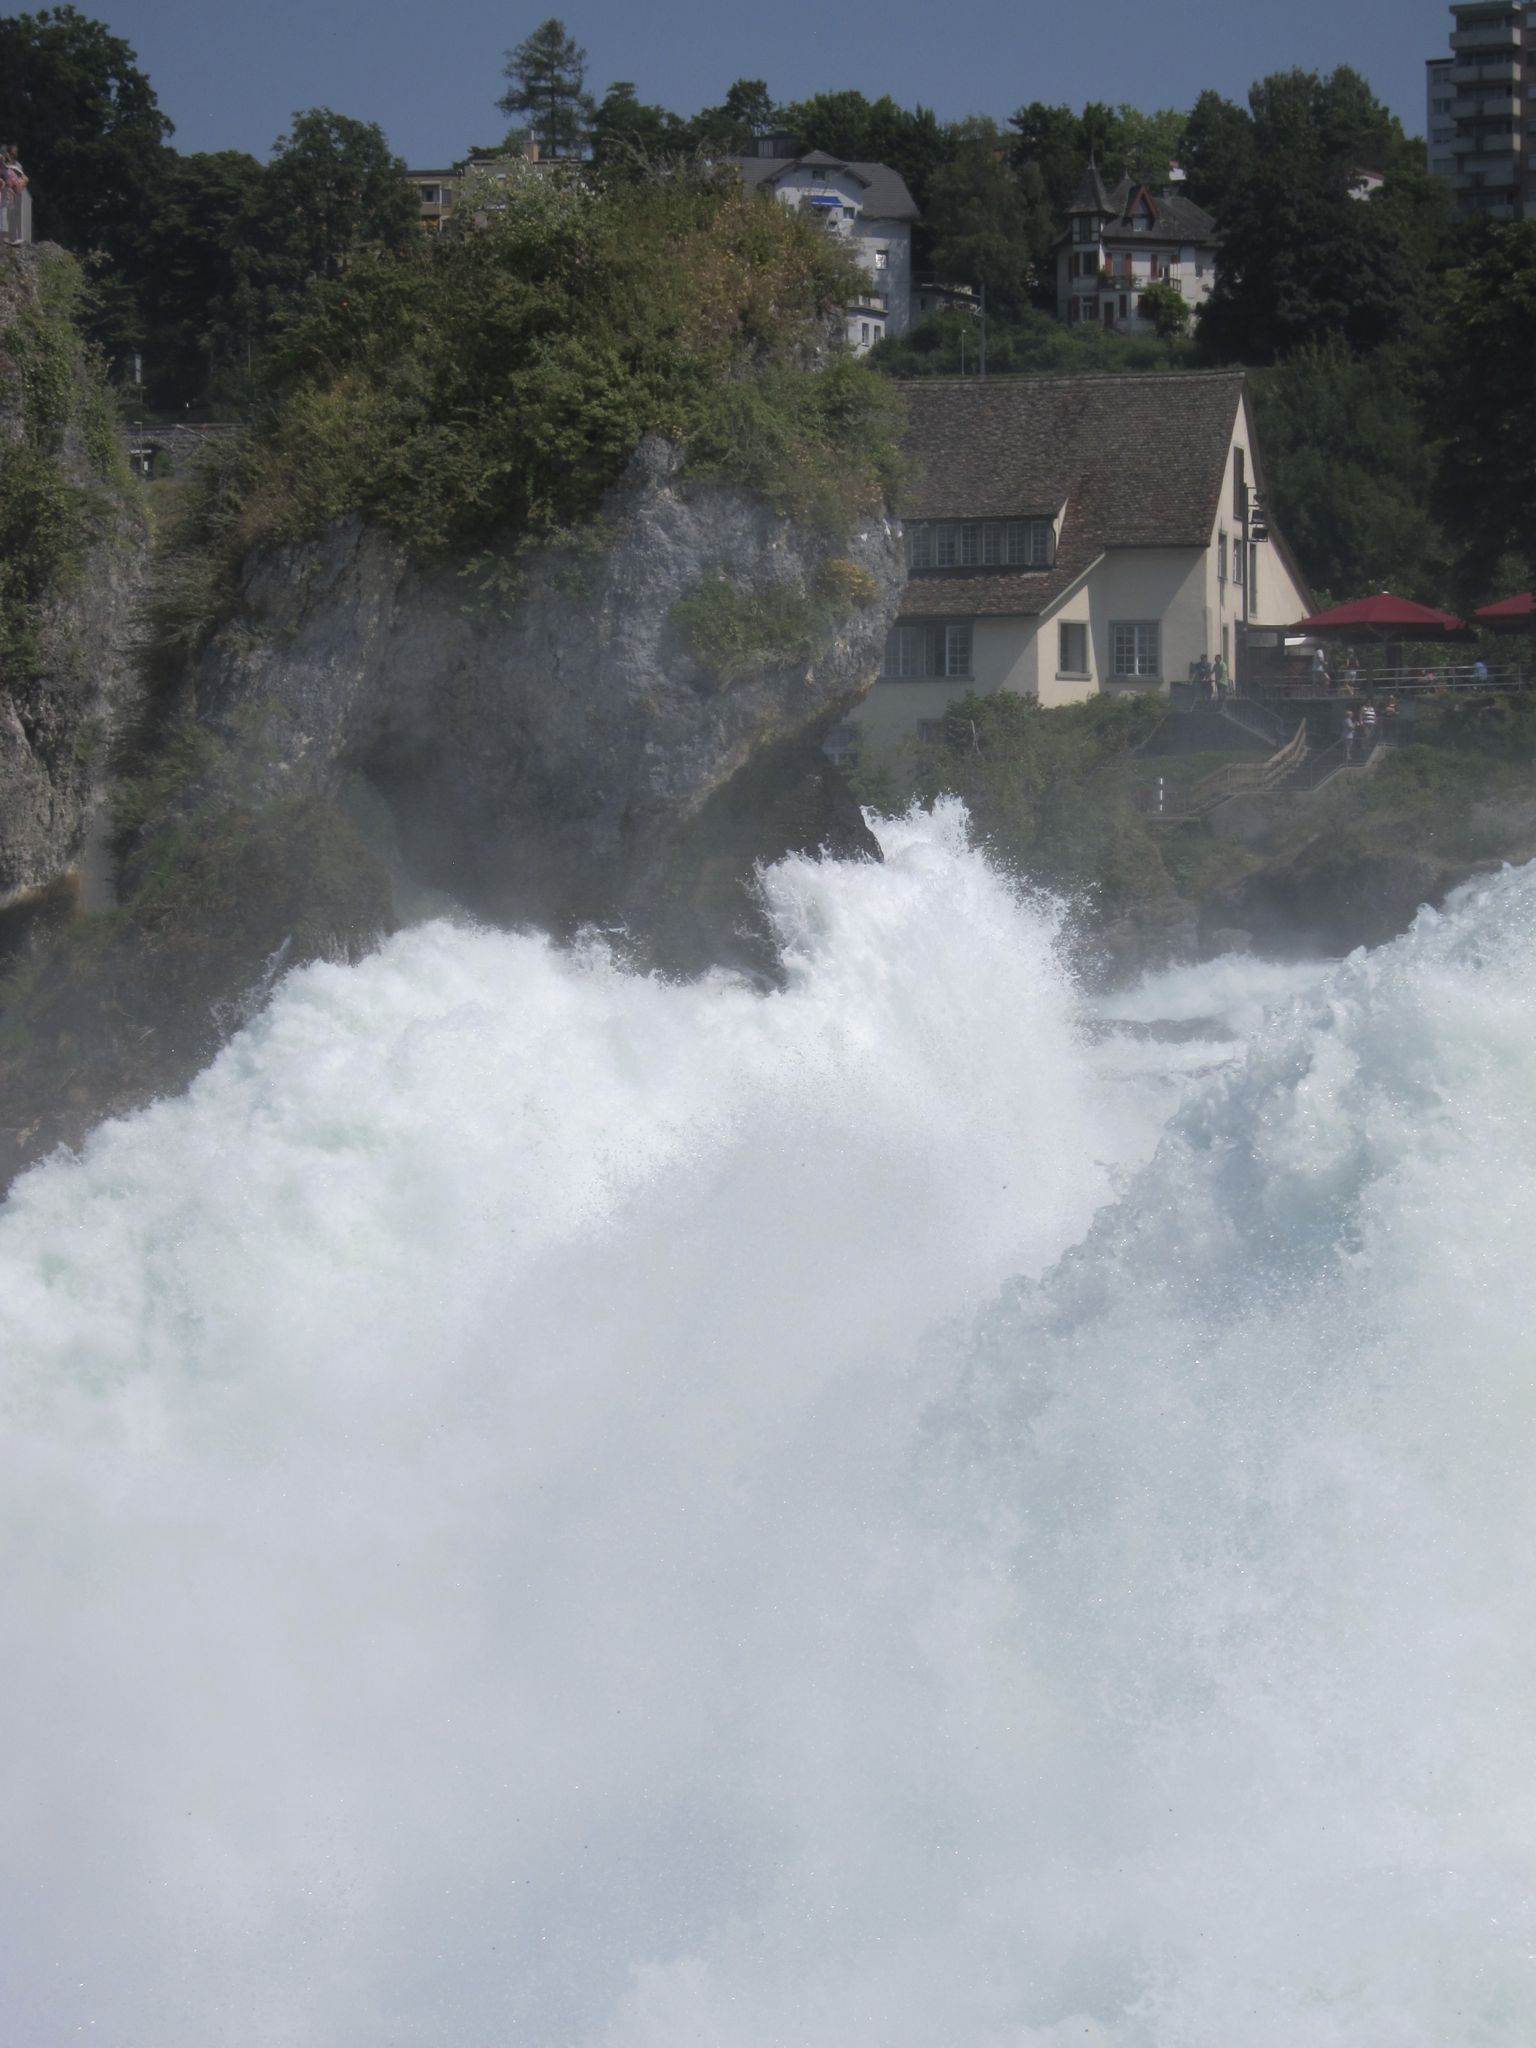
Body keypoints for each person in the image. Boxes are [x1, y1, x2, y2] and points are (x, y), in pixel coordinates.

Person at [0, 147, 26, 244]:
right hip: (9, 197)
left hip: (11, 197)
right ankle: (13, 237)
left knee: (11, 216)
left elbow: (19, 181)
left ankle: (14, 237)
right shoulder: (7, 168)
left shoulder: (13, 168)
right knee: (8, 216)